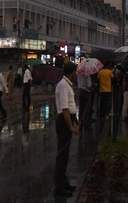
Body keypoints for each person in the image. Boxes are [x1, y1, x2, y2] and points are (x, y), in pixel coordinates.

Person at [54, 62, 79, 197]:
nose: (77, 74)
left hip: (68, 119)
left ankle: (64, 183)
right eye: (76, 71)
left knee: (65, 155)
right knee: (62, 156)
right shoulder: (63, 85)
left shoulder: (67, 84)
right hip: (63, 123)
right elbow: (64, 109)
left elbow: (70, 106)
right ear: (71, 72)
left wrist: (76, 120)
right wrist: (71, 127)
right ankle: (59, 187)